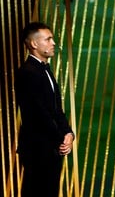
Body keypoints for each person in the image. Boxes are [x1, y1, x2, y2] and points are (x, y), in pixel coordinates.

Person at [15, 22, 75, 197]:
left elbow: (56, 109)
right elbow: (39, 114)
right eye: (48, 39)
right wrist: (61, 138)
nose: (53, 43)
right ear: (34, 44)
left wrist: (69, 134)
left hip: (52, 148)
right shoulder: (27, 73)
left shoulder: (44, 70)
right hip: (38, 150)